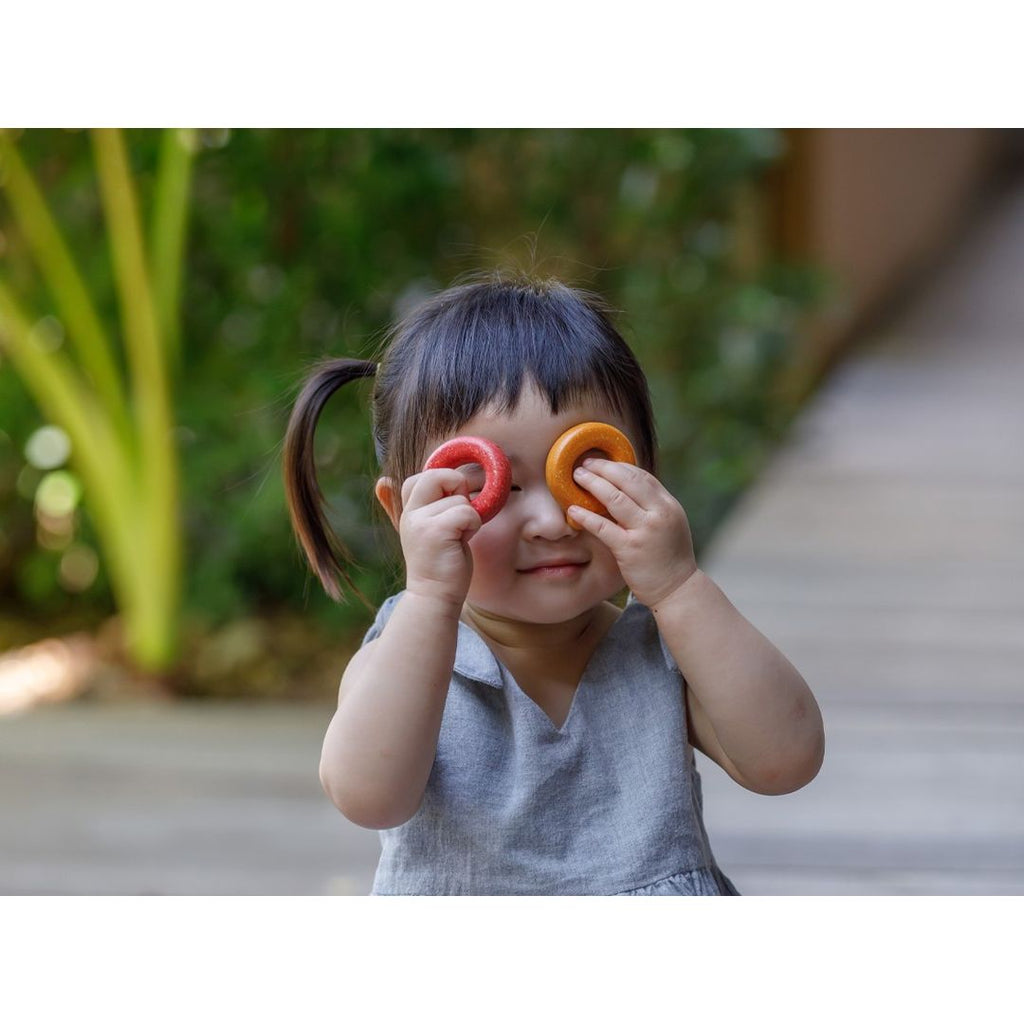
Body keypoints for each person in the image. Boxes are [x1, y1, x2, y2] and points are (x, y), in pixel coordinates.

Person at [283, 272, 824, 895]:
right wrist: (430, 596)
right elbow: (366, 795)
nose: (549, 521)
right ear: (405, 515)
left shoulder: (666, 650)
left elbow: (786, 760)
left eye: (585, 472)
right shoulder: (404, 658)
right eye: (498, 487)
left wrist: (678, 587)